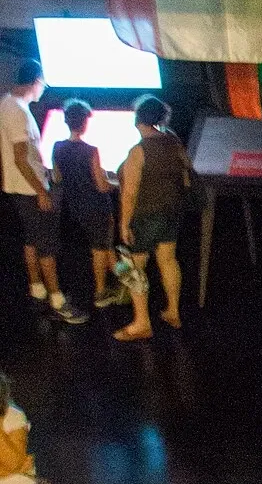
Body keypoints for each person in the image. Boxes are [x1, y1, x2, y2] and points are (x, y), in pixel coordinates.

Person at [0, 60, 87, 325]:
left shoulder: (7, 103)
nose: (43, 90)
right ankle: (57, 300)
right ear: (36, 81)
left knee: (31, 239)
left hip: (17, 187)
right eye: (43, 85)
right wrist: (41, 191)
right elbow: (20, 158)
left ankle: (36, 288)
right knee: (47, 244)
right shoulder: (17, 110)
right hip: (29, 188)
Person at [116, 95, 191, 341]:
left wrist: (124, 223)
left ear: (139, 120)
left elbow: (129, 192)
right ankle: (173, 311)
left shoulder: (138, 151)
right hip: (172, 212)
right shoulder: (174, 143)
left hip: (146, 215)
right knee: (168, 260)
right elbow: (187, 176)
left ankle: (141, 323)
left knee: (134, 266)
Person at [52, 101, 121, 310]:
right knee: (101, 247)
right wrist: (116, 184)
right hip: (97, 207)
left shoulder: (58, 147)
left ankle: (123, 283)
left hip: (75, 207)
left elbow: (56, 177)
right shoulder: (91, 150)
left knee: (105, 246)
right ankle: (101, 292)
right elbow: (100, 185)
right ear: (84, 123)